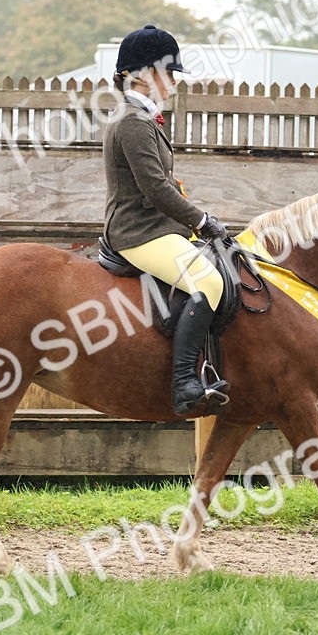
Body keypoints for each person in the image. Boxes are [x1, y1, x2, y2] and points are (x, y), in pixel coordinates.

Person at [101, 24, 230, 415]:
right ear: (142, 74)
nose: (174, 83)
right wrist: (204, 221)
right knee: (208, 281)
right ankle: (184, 384)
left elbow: (163, 182)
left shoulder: (142, 117)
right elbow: (155, 190)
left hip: (157, 227)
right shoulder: (132, 122)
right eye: (169, 73)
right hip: (139, 232)